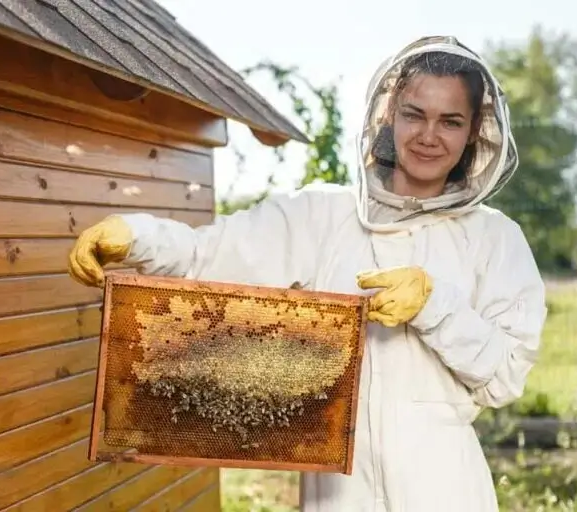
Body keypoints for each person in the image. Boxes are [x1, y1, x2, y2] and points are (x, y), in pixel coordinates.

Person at [68, 36, 547, 512]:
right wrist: (137, 235)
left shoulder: (494, 239)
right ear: (387, 116)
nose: (428, 135)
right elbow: (206, 256)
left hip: (444, 489)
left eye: (450, 121)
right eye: (414, 114)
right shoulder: (321, 214)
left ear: (473, 133)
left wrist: (434, 306)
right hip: (338, 494)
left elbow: (504, 377)